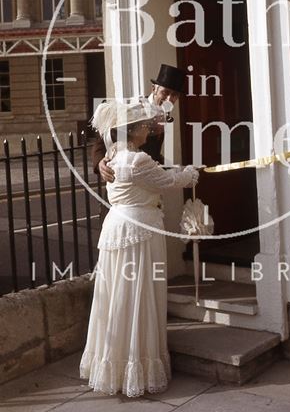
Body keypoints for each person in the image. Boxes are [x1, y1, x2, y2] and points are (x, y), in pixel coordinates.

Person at [80, 98, 199, 397]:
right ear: (132, 132)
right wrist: (192, 173)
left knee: (118, 295)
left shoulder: (114, 156)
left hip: (116, 228)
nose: (149, 130)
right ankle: (136, 366)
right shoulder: (138, 160)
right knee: (139, 296)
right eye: (145, 127)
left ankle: (112, 366)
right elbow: (170, 180)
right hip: (139, 232)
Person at [92, 63, 187, 182]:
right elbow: (102, 139)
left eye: (174, 95)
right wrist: (100, 162)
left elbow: (153, 153)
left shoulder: (164, 114)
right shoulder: (135, 109)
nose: (169, 99)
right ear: (154, 89)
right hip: (125, 181)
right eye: (165, 92)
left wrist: (175, 170)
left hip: (147, 180)